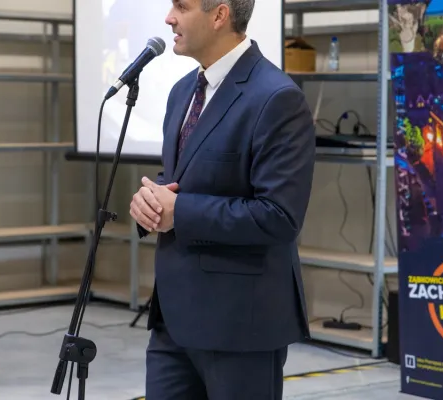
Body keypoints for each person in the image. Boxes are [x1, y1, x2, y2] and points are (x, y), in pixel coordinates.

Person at [128, 0, 316, 398]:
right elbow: (183, 179)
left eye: (181, 6)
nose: (169, 18)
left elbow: (279, 216)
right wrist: (151, 202)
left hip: (240, 326)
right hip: (172, 322)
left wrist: (180, 211)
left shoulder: (277, 97)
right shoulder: (182, 92)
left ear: (219, 15)